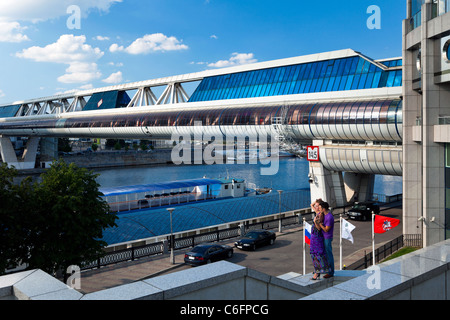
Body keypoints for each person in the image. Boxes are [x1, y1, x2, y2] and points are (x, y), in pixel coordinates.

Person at [309, 209, 331, 280]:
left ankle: (317, 272)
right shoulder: (317, 221)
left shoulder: (320, 223)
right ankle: (316, 271)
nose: (317, 216)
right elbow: (313, 205)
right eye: (317, 215)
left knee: (318, 256)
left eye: (320, 216)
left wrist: (316, 221)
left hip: (318, 242)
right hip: (313, 242)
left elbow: (318, 228)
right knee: (313, 256)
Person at [317, 201, 335, 278]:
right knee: (324, 254)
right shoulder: (324, 215)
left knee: (329, 254)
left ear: (324, 209)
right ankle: (326, 269)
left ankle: (331, 272)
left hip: (327, 237)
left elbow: (326, 229)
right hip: (323, 237)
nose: (319, 209)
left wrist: (319, 224)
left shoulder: (329, 217)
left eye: (320, 208)